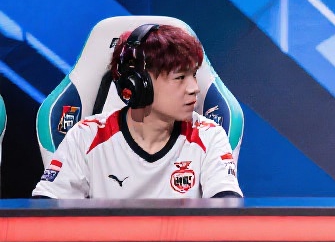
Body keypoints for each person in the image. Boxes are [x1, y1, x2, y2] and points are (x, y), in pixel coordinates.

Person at [33, 23, 242, 199]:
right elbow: (45, 214)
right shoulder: (85, 137)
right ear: (137, 85)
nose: (194, 88)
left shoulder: (209, 136)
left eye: (193, 75)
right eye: (180, 78)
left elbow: (227, 213)